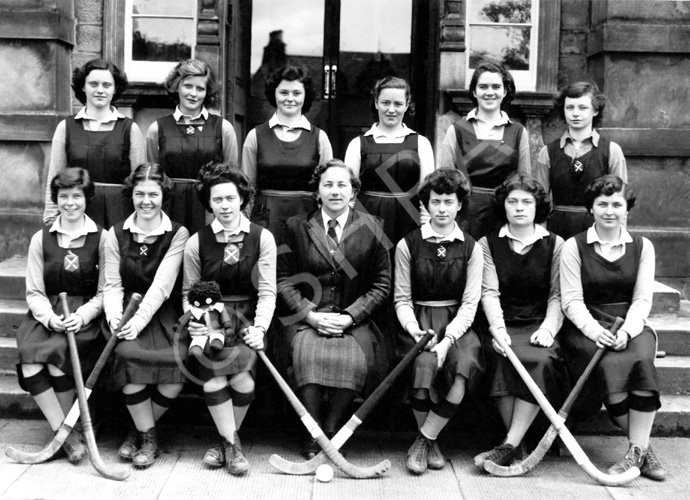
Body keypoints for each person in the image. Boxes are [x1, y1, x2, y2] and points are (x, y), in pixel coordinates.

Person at [277, 159, 390, 459]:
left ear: (353, 193)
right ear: (317, 192)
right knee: (304, 354)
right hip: (307, 319)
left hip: (353, 321)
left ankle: (331, 429)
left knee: (352, 360)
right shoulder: (295, 227)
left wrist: (350, 316)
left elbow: (381, 285)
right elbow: (283, 280)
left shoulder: (373, 228)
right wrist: (309, 315)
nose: (335, 191)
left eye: (343, 185)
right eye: (328, 184)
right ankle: (312, 430)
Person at [560, 175, 665, 481]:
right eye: (602, 204)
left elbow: (643, 298)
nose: (609, 210)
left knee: (641, 359)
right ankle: (643, 452)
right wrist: (596, 331)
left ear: (626, 209)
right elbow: (571, 301)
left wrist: (627, 332)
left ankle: (636, 452)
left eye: (616, 204)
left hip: (629, 325)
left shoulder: (643, 246)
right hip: (587, 327)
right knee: (610, 364)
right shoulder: (573, 247)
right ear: (590, 209)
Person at [181, 163, 276, 475]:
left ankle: (223, 442)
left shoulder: (262, 238)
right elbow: (188, 292)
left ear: (242, 199)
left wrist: (260, 328)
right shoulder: (197, 242)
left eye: (230, 198)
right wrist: (195, 320)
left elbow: (267, 292)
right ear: (209, 203)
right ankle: (232, 447)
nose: (224, 206)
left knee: (244, 382)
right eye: (217, 200)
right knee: (215, 380)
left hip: (247, 321)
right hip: (210, 324)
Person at [474, 172, 569, 468]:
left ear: (536, 206)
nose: (519, 207)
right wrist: (498, 330)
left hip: (539, 324)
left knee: (539, 360)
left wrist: (548, 329)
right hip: (503, 323)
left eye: (526, 202)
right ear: (503, 206)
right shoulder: (487, 243)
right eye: (512, 201)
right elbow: (489, 293)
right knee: (501, 356)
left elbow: (557, 295)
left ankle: (510, 444)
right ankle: (517, 442)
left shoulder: (556, 244)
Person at [394, 168, 484, 475]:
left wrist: (448, 340)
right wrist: (416, 330)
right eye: (435, 202)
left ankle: (424, 439)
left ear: (460, 204)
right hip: (419, 322)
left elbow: (471, 302)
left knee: (461, 367)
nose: (442, 209)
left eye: (449, 201)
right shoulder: (408, 244)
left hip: (457, 324)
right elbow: (401, 299)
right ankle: (431, 443)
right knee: (424, 368)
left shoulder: (472, 247)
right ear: (426, 205)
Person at [16, 168, 106, 464]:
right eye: (63, 196)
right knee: (30, 357)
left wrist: (82, 316)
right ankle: (65, 434)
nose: (70, 203)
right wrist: (50, 319)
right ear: (55, 200)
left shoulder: (102, 238)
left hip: (84, 318)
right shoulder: (41, 239)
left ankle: (70, 430)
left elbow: (106, 292)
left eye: (76, 196)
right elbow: (34, 292)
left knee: (56, 361)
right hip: (48, 315)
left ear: (86, 199)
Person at [103, 164, 189, 469]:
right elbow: (111, 285)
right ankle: (149, 437)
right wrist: (116, 319)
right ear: (132, 195)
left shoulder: (178, 233)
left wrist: (137, 322)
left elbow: (162, 286)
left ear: (163, 195)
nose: (146, 200)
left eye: (153, 193)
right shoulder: (115, 233)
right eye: (140, 193)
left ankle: (136, 431)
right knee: (127, 357)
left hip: (162, 313)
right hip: (125, 311)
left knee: (177, 365)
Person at [43, 59, 146, 228]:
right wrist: (51, 218)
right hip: (76, 215)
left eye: (106, 85)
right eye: (93, 84)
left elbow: (141, 183)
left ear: (115, 89)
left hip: (119, 216)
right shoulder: (65, 128)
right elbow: (54, 178)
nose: (100, 90)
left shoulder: (130, 129)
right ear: (83, 87)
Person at [438, 60, 530, 240]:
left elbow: (524, 182)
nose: (489, 92)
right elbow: (444, 181)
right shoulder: (456, 131)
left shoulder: (518, 132)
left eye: (496, 86)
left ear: (505, 91)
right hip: (466, 216)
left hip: (505, 216)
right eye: (483, 87)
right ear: (474, 91)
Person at [146, 59, 239, 235]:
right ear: (176, 87)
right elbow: (153, 179)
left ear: (208, 91)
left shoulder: (223, 128)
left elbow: (231, 178)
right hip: (169, 209)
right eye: (188, 86)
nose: (193, 94)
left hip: (209, 209)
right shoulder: (157, 129)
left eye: (200, 88)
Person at [241, 65, 333, 241]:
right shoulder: (255, 136)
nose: (290, 99)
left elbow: (327, 188)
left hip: (307, 221)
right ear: (273, 94)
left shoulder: (320, 138)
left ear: (305, 96)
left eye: (296, 93)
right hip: (265, 221)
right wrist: (245, 229)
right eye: (283, 92)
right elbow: (247, 189)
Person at [344, 76, 435, 251]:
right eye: (385, 103)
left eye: (398, 104)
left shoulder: (421, 143)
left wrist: (426, 227)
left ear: (407, 105)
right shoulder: (358, 144)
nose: (391, 110)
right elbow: (349, 192)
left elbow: (427, 192)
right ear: (376, 103)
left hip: (409, 221)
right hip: (367, 221)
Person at [534, 82, 627, 240]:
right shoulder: (548, 152)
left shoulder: (611, 151)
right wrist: (542, 240)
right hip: (557, 230)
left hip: (598, 229)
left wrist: (618, 240)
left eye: (583, 108)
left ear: (595, 110)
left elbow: (620, 202)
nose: (575, 113)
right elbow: (540, 203)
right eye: (570, 107)